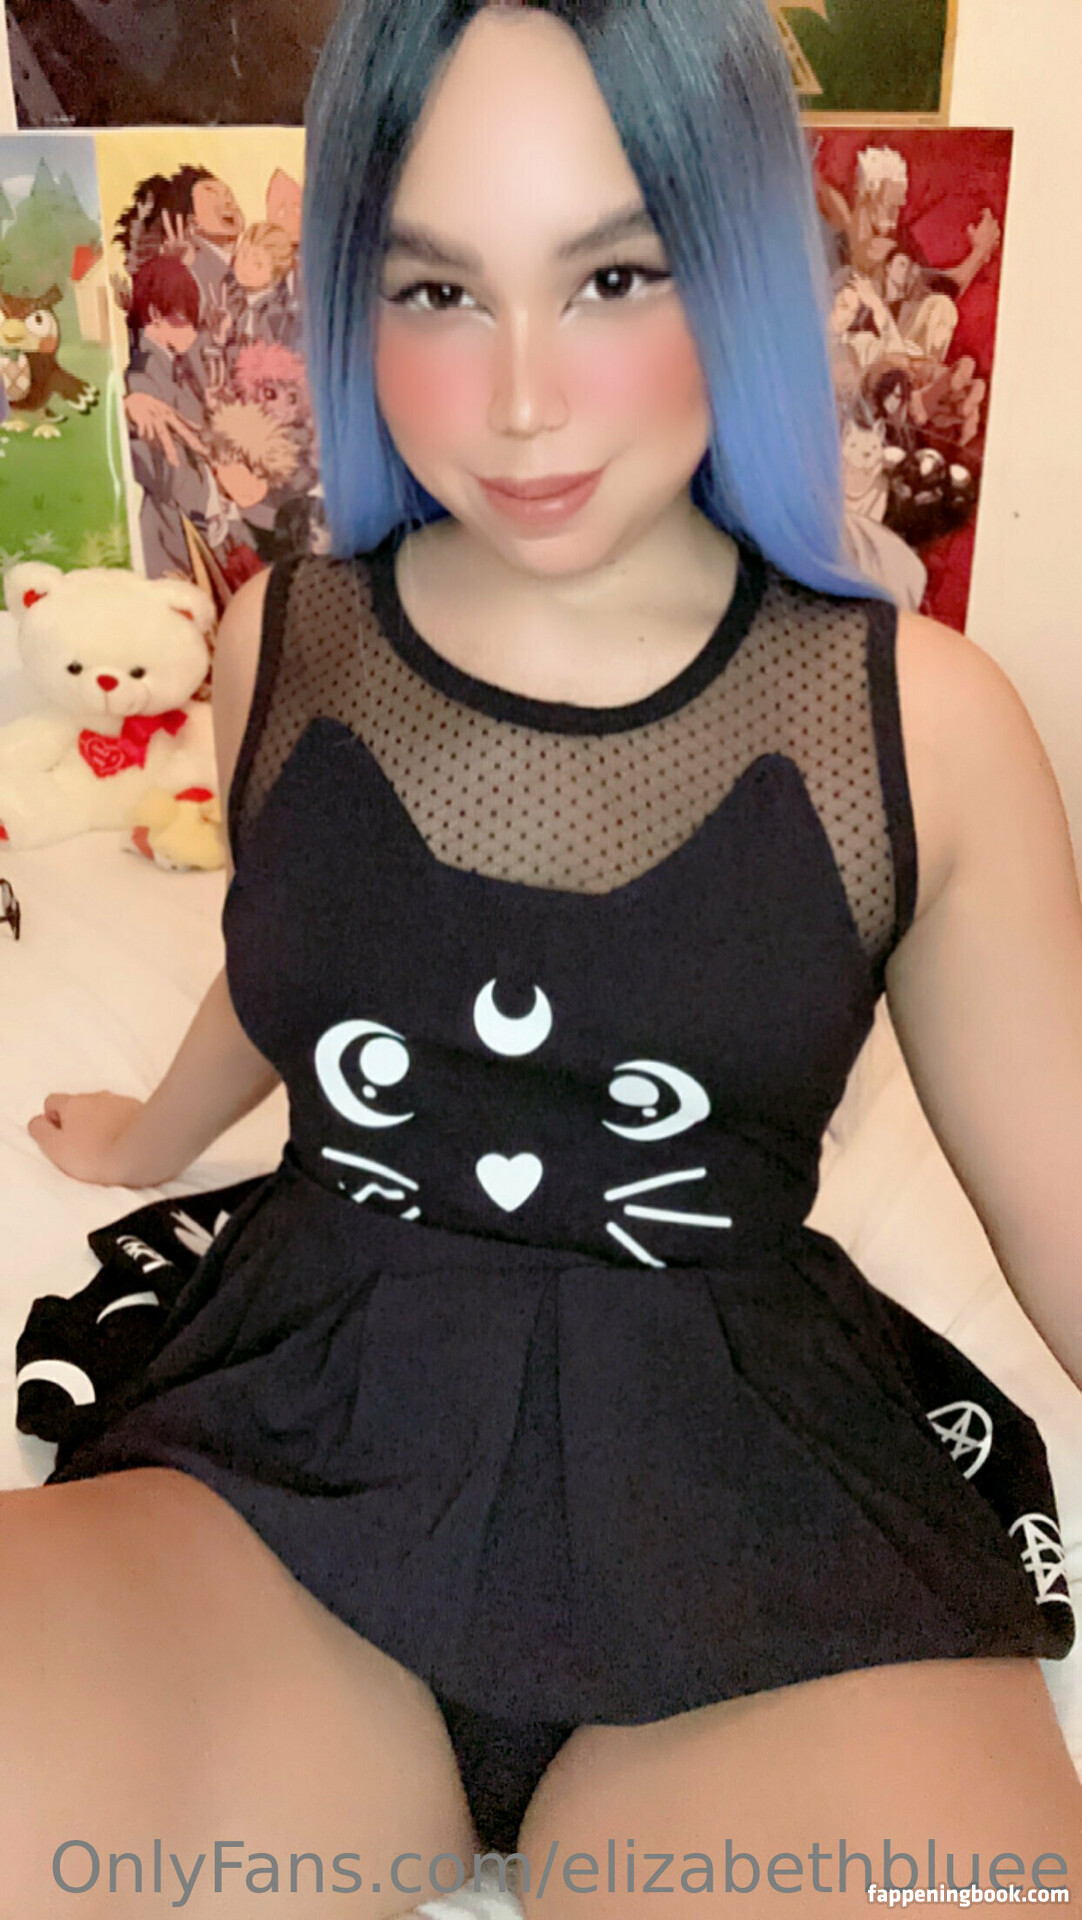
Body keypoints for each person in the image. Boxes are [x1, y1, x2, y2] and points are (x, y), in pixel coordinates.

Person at [5, 3, 1082, 1915]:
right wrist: (154, 1137)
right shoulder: (280, 641)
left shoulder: (923, 725)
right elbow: (307, 954)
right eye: (438, 290)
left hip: (753, 1522)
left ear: (734, 267)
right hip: (297, 1464)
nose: (518, 400)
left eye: (611, 277)